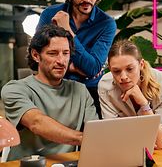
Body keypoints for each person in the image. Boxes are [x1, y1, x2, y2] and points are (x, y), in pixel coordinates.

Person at [1, 24, 98, 161]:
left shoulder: (80, 91)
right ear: (36, 55)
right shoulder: (15, 89)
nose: (61, 61)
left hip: (66, 163)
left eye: (66, 53)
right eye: (53, 53)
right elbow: (37, 122)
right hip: (27, 164)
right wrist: (84, 138)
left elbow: (95, 131)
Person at [36, 0, 116, 119]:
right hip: (53, 88)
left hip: (89, 91)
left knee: (91, 136)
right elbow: (37, 57)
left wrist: (67, 29)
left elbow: (92, 68)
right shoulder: (50, 14)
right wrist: (73, 67)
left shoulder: (106, 23)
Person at [98, 40, 162, 149]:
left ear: (141, 64)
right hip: (133, 139)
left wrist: (143, 104)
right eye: (116, 71)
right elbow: (112, 134)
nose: (123, 76)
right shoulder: (105, 86)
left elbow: (160, 142)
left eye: (129, 69)